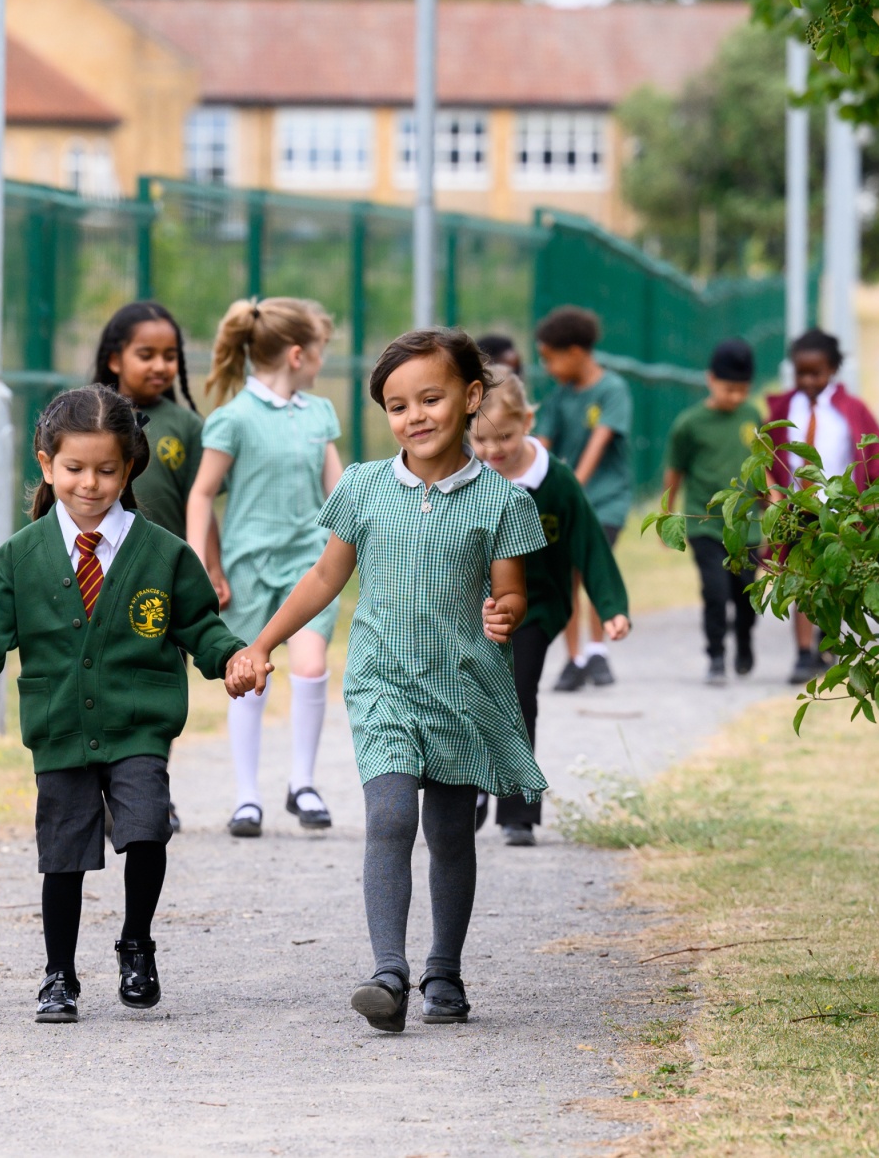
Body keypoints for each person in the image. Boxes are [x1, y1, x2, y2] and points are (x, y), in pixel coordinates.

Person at [227, 328, 549, 1032]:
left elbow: (513, 590)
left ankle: (445, 970)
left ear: (469, 398)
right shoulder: (363, 486)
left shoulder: (502, 502)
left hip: (462, 687)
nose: (415, 416)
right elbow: (324, 576)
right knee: (392, 816)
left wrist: (507, 612)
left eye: (430, 398)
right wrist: (262, 642)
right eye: (398, 406)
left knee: (451, 833)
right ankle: (388, 972)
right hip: (383, 684)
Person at [0, 386, 241, 1024]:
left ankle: (136, 943)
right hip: (61, 729)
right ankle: (59, 975)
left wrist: (232, 658)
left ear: (129, 468)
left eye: (106, 470)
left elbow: (201, 629)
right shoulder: (20, 559)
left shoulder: (165, 554)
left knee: (148, 825)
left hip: (139, 726)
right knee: (64, 855)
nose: (91, 484)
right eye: (74, 469)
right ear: (47, 464)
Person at [186, 297, 343, 838]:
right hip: (249, 567)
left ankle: (303, 783)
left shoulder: (320, 415)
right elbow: (202, 494)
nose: (322, 362)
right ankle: (247, 797)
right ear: (298, 354)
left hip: (309, 564)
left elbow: (339, 493)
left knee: (310, 665)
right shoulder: (233, 420)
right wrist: (201, 565)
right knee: (249, 678)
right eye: (320, 352)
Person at [470, 366, 631, 846]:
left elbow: (589, 544)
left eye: (505, 437)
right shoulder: (467, 478)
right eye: (479, 440)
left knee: (519, 694)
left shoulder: (556, 481)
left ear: (528, 421)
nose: (492, 451)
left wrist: (611, 606)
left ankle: (518, 811)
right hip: (472, 604)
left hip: (536, 606)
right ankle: (472, 784)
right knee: (466, 695)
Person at [92, 301, 211, 834]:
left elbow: (200, 501)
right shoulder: (85, 414)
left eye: (171, 356)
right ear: (115, 358)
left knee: (156, 681)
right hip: (93, 576)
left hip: (160, 580)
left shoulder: (186, 424)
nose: (161, 365)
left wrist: (215, 566)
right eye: (147, 354)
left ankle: (148, 788)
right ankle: (91, 787)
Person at [765, 328, 879, 684]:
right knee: (801, 580)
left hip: (840, 510)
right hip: (798, 510)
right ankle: (802, 653)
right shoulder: (783, 408)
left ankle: (828, 643)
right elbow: (766, 457)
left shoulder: (851, 411)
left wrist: (875, 502)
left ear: (833, 370)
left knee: (835, 580)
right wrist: (774, 496)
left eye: (816, 373)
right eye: (801, 373)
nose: (808, 380)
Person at [533, 306, 633, 691]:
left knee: (593, 568)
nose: (548, 367)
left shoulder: (612, 390)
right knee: (566, 577)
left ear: (575, 352)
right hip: (565, 504)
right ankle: (574, 658)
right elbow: (540, 445)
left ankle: (597, 650)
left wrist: (570, 486)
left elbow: (599, 441)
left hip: (605, 499)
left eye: (550, 358)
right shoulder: (559, 397)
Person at [664, 339, 763, 684]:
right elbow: (674, 471)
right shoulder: (689, 424)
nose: (735, 396)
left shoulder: (753, 416)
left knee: (746, 594)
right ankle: (717, 656)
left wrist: (772, 505)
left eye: (742, 389)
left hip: (748, 527)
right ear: (711, 380)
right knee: (715, 592)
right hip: (704, 525)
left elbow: (761, 465)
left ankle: (745, 642)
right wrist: (667, 515)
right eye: (728, 388)